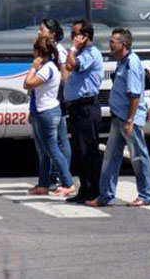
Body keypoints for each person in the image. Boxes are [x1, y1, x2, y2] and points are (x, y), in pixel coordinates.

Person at [89, 28, 150, 207]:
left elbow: (134, 95)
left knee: (139, 156)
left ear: (123, 44)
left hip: (128, 119)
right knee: (110, 157)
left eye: (113, 42)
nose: (109, 45)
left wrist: (130, 120)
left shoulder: (132, 63)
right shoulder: (122, 62)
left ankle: (146, 195)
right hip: (119, 117)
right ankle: (106, 195)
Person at [24, 30, 75, 197]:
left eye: (34, 51)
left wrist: (33, 67)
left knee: (52, 149)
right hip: (41, 111)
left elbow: (28, 84)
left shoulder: (48, 69)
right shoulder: (47, 67)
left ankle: (68, 183)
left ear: (39, 53)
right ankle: (43, 184)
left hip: (48, 112)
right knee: (43, 151)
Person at [63, 20, 104, 204]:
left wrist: (72, 48)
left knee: (89, 150)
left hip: (87, 106)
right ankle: (84, 188)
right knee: (80, 150)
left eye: (75, 34)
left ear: (84, 37)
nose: (72, 38)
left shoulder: (91, 53)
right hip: (77, 107)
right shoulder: (81, 53)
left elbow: (71, 66)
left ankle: (93, 189)